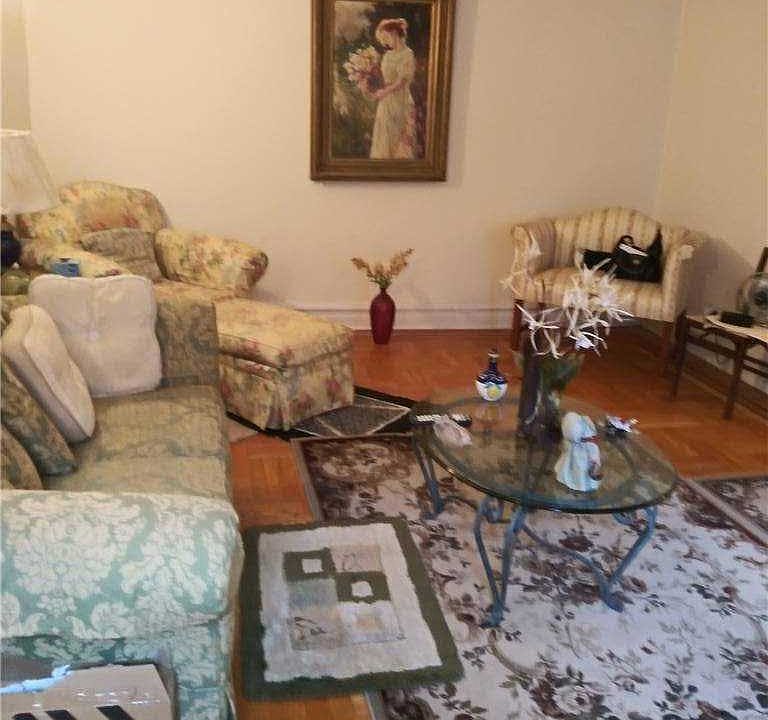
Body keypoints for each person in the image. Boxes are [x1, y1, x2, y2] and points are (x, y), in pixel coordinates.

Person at [370, 18, 417, 159]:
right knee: (384, 138)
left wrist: (384, 92)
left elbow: (402, 81)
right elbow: (385, 79)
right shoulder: (387, 55)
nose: (385, 42)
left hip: (401, 100)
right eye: (382, 39)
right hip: (386, 102)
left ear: (394, 33)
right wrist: (369, 80)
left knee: (398, 139)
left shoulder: (408, 54)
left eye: (386, 37)